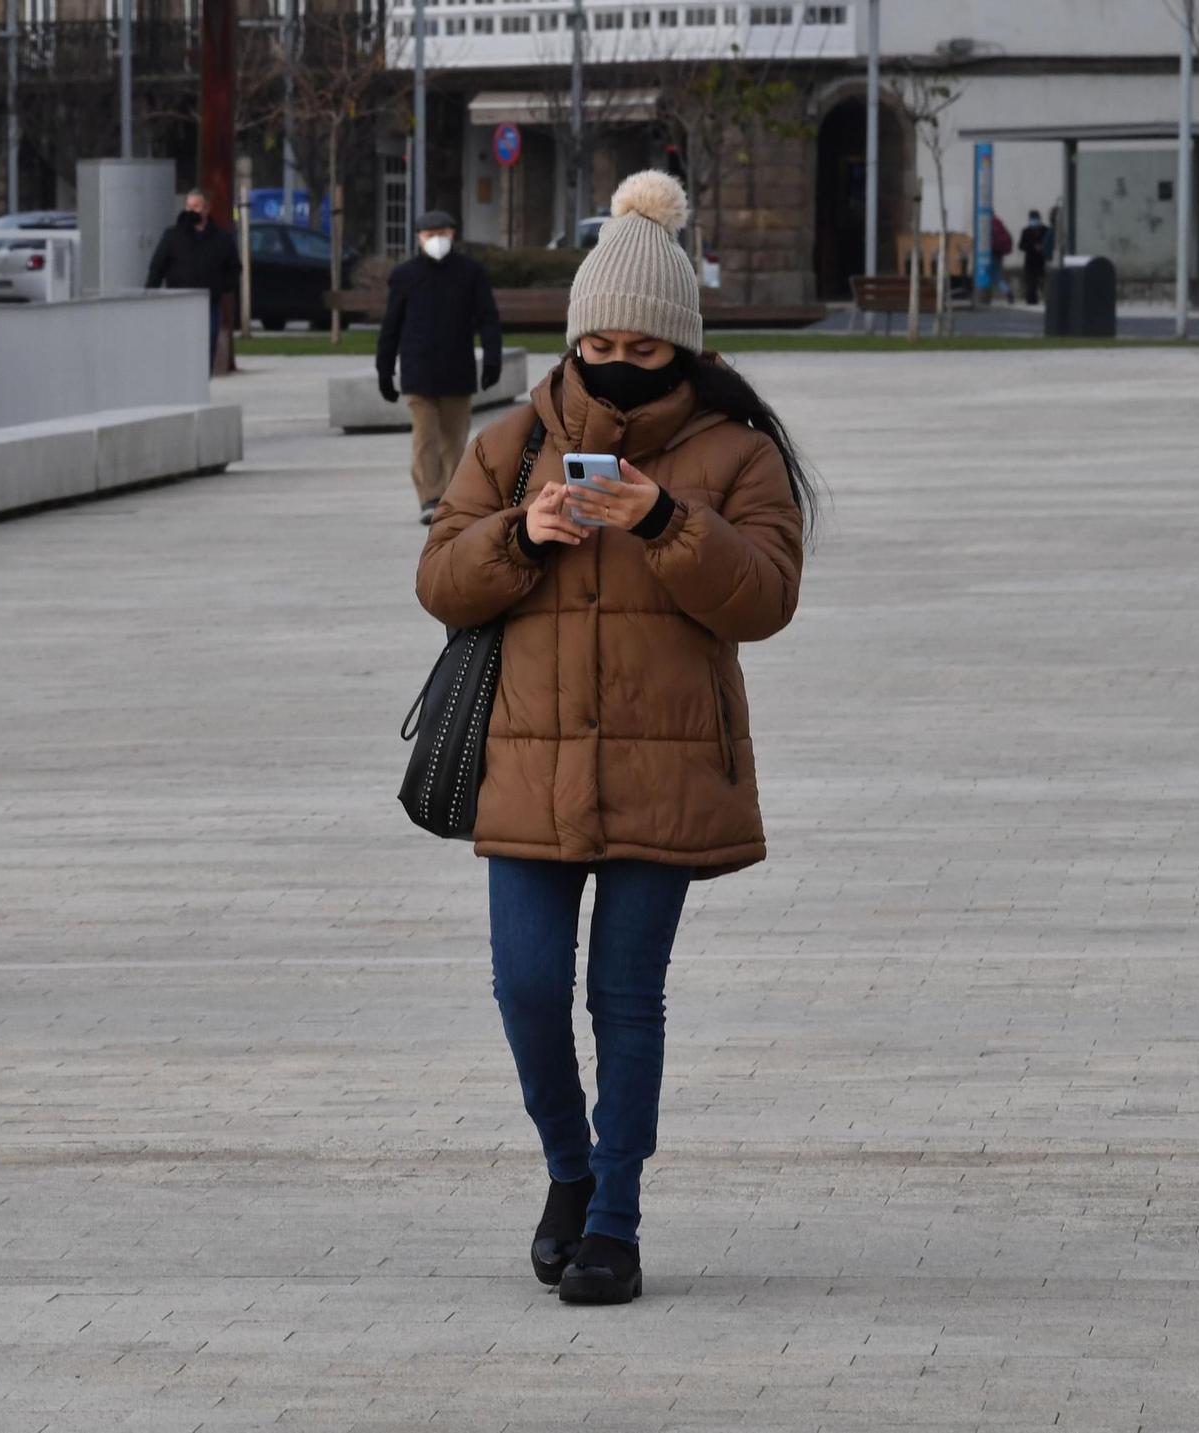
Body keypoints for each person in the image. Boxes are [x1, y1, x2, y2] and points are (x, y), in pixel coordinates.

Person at [415, 170, 813, 1307]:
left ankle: (616, 1223)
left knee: (624, 999)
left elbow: (765, 598)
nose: (617, 359)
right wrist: (519, 535)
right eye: (600, 338)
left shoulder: (735, 455)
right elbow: (440, 582)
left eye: (644, 345)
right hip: (528, 769)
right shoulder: (510, 447)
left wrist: (663, 518)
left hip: (665, 769)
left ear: (681, 348)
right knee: (526, 988)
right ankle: (567, 1170)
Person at [376, 210, 504, 524]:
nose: (436, 240)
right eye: (429, 234)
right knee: (425, 437)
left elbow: (488, 318)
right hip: (418, 369)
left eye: (442, 233)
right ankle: (430, 497)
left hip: (457, 368)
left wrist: (492, 358)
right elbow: (391, 325)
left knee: (455, 439)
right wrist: (384, 369)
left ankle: (453, 497)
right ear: (419, 238)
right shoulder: (405, 275)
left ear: (453, 235)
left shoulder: (471, 273)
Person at [146, 188, 242, 370]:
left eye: (196, 206)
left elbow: (234, 269)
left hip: (208, 303)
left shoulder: (222, 238)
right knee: (179, 349)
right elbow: (157, 266)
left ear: (207, 209)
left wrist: (220, 287)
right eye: (189, 206)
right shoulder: (172, 236)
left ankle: (203, 383)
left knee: (207, 346)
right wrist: (150, 293)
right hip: (179, 303)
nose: (192, 211)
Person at [1017, 209, 1051, 305]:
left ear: (1039, 219)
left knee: (1044, 282)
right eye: (1032, 219)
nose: (1034, 221)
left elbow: (1050, 243)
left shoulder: (1046, 230)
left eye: (1035, 219)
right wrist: (1033, 246)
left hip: (1043, 260)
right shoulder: (1026, 231)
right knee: (1031, 283)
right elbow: (1021, 246)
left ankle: (1048, 299)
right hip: (1030, 261)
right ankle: (1031, 300)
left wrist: (1042, 247)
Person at [990, 213, 1014, 303]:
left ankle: (1007, 291)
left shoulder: (988, 222)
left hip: (991, 253)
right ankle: (1007, 291)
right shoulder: (998, 222)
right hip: (998, 253)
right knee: (997, 275)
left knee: (994, 275)